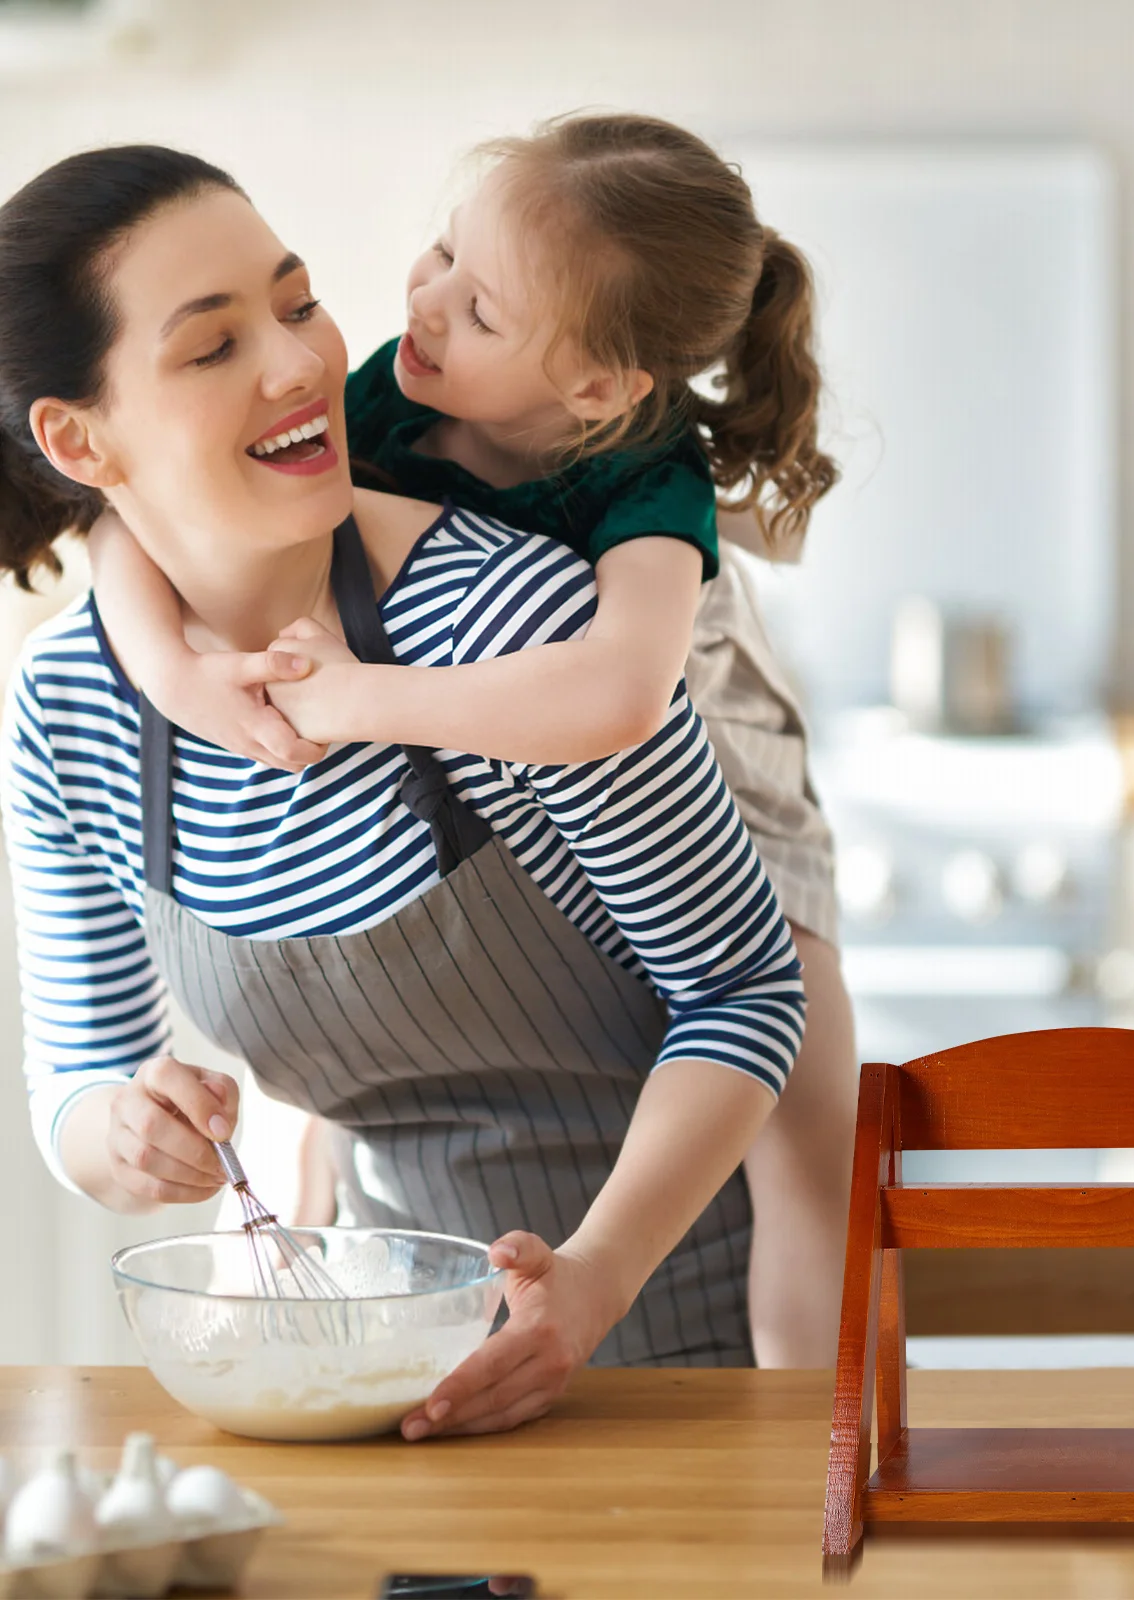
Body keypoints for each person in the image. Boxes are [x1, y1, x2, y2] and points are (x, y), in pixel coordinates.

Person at [0, 144, 809, 1437]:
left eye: (298, 300)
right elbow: (78, 1086)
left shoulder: (519, 629)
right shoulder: (72, 709)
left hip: (654, 1374)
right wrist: (126, 1135)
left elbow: (746, 989)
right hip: (353, 1387)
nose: (302, 362)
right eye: (213, 350)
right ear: (76, 439)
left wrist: (590, 1283)